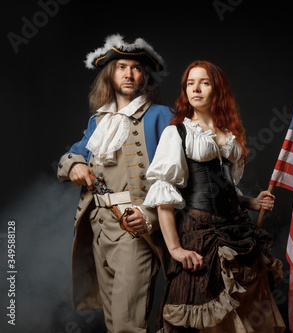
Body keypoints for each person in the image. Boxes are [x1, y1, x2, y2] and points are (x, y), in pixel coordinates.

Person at [144, 60, 286, 332]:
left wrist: (252, 202)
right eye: (190, 83)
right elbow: (164, 198)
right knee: (210, 319)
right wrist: (175, 249)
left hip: (239, 233)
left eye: (204, 83)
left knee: (247, 316)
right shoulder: (177, 133)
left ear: (217, 89)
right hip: (201, 236)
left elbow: (229, 187)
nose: (195, 89)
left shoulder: (230, 135)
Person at [57, 34, 173, 333]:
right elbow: (74, 153)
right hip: (97, 225)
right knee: (113, 321)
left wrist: (148, 216)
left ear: (144, 76)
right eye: (121, 66)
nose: (128, 73)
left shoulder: (162, 116)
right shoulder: (100, 120)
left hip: (134, 228)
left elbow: (180, 177)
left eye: (135, 68)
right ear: (111, 73)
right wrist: (76, 164)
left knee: (126, 324)